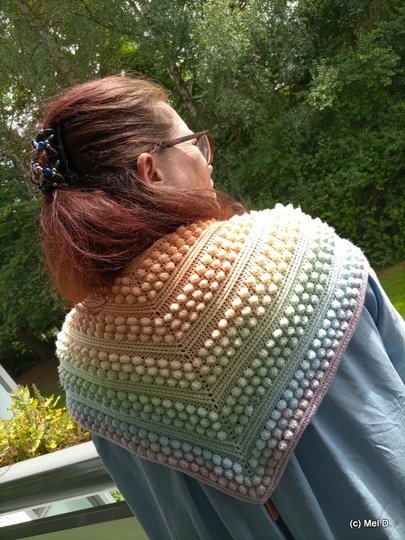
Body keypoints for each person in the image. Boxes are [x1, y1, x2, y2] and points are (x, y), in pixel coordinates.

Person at [29, 75, 405, 540]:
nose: (208, 161)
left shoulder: (85, 363)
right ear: (151, 170)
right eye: (194, 143)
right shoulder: (299, 250)